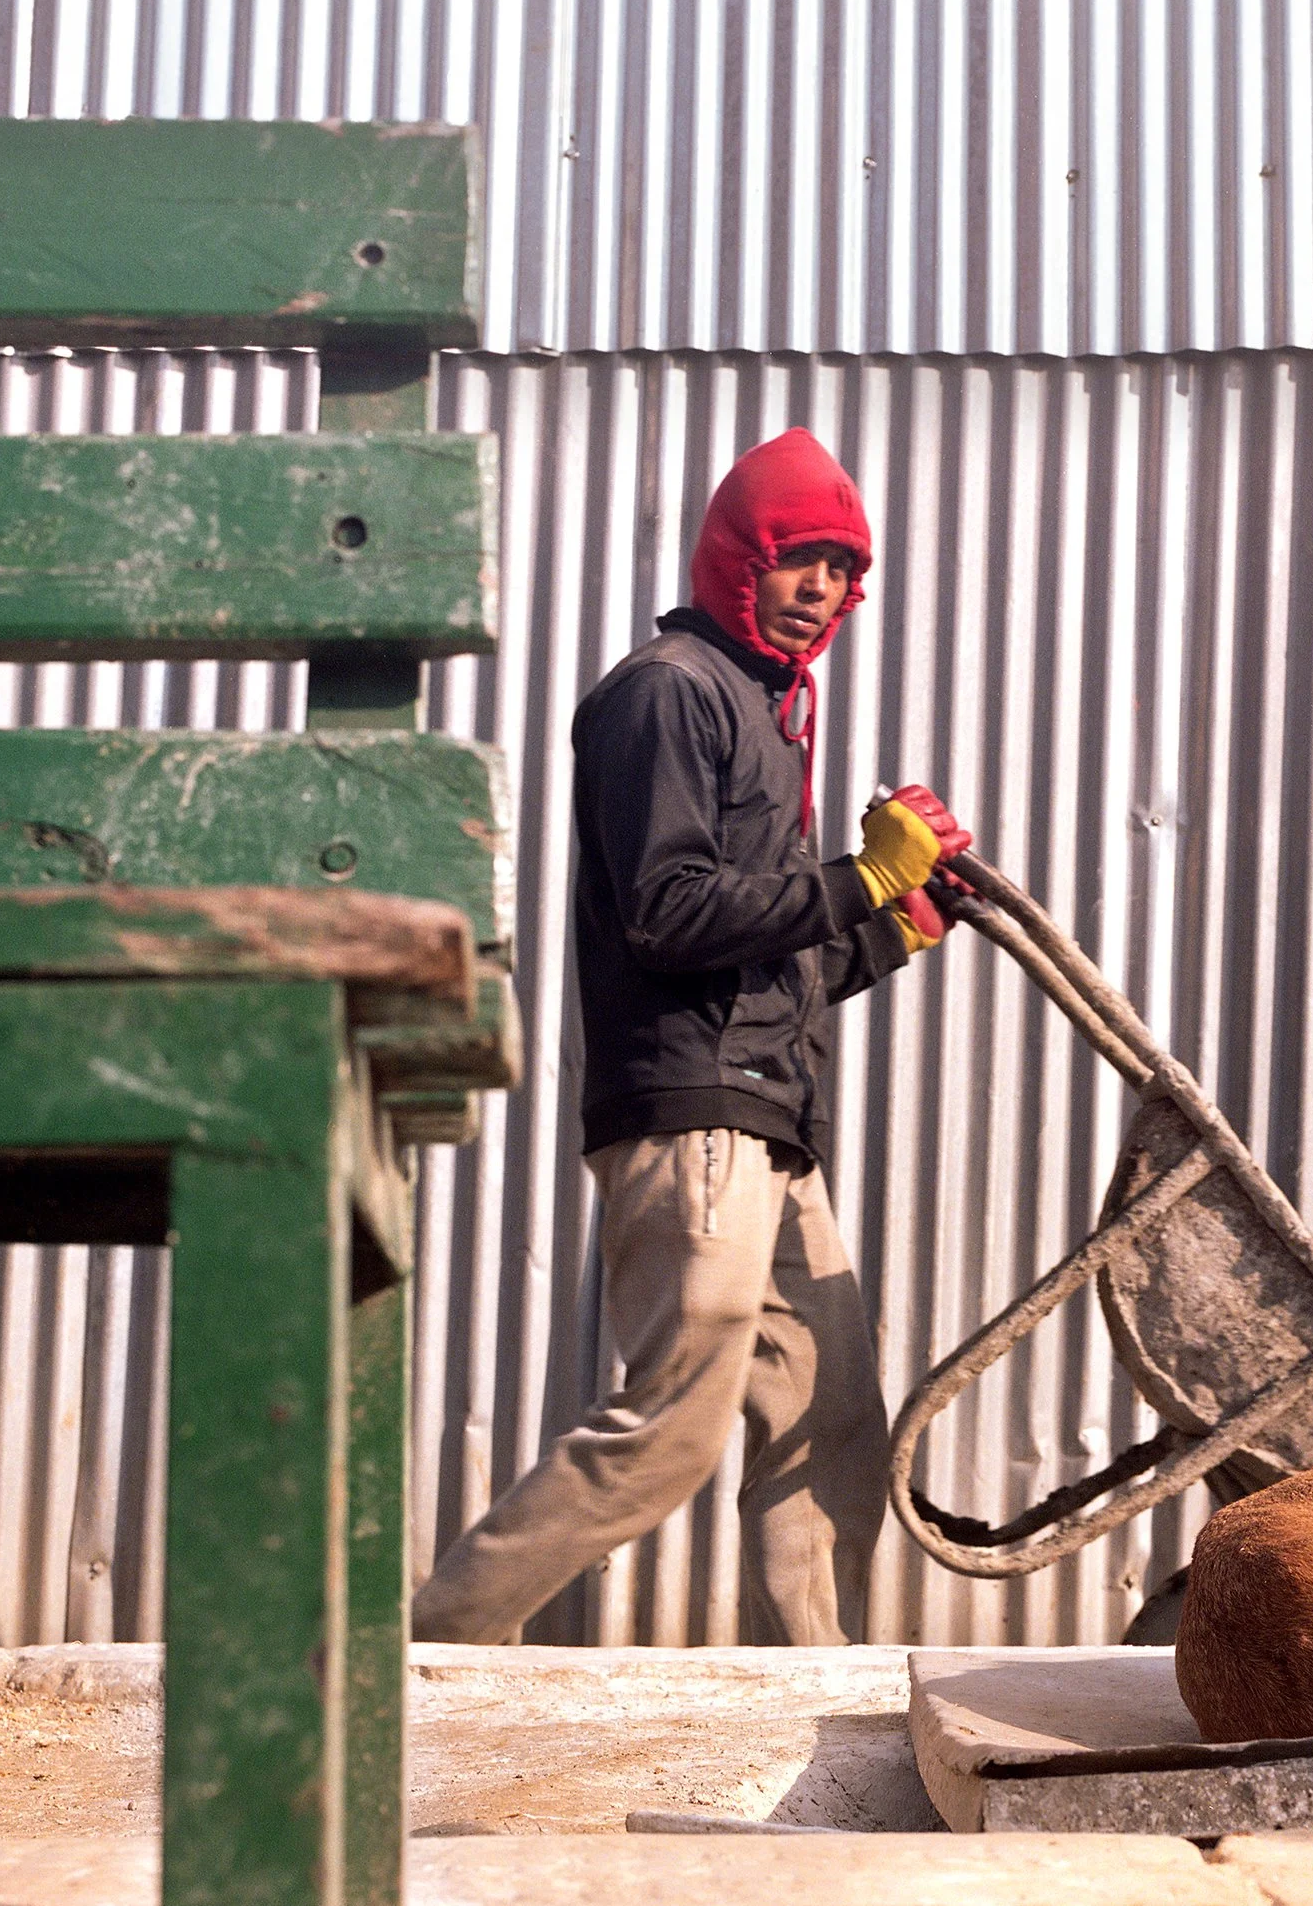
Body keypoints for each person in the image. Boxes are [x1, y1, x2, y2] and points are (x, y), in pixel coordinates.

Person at [412, 427, 968, 1646]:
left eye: (840, 566)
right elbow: (668, 913)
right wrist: (860, 878)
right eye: (797, 558)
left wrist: (898, 921)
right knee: (669, 1431)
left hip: (765, 1116)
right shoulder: (668, 690)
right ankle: (430, 1646)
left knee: (829, 1419)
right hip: (696, 1115)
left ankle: (817, 1690)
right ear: (737, 554)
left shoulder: (771, 715)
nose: (820, 586)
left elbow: (768, 951)